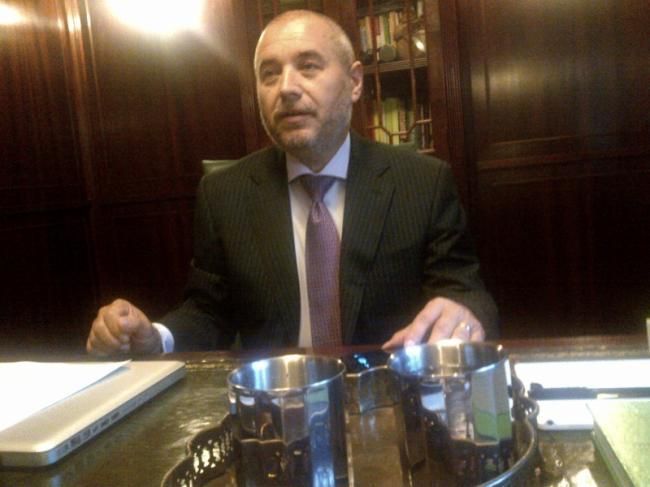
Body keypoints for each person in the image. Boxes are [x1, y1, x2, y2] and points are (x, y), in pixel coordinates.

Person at [86, 10, 498, 356]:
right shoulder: (224, 194)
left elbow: (465, 292)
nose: (286, 88)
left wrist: (464, 313)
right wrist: (154, 336)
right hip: (276, 405)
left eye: (308, 67)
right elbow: (208, 312)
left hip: (388, 394)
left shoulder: (422, 182)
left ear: (355, 82)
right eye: (269, 74)